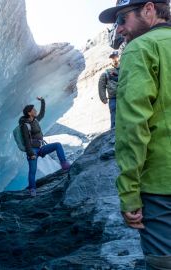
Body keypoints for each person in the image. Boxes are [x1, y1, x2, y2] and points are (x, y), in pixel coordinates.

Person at [99, 1, 171, 269]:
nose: (119, 30)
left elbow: (133, 127)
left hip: (161, 185)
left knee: (162, 261)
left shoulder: (141, 48)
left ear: (149, 9)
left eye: (122, 19)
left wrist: (129, 193)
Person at [19, 97, 71, 197]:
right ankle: (32, 190)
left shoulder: (35, 120)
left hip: (40, 148)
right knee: (32, 171)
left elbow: (42, 113)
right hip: (32, 151)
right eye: (33, 110)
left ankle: (64, 165)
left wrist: (42, 101)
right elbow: (26, 141)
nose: (35, 111)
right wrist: (30, 154)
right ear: (29, 113)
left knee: (57, 145)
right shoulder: (25, 125)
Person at [98, 51, 120, 129]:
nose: (114, 59)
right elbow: (101, 85)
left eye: (116, 57)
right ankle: (113, 133)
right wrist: (103, 97)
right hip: (113, 99)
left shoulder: (125, 68)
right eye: (112, 58)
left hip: (126, 97)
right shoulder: (107, 72)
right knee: (114, 117)